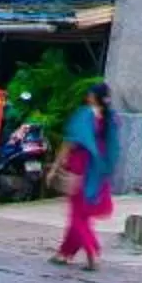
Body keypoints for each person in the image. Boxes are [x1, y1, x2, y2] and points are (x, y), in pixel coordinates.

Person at [53, 81, 117, 271]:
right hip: (98, 172)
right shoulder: (111, 118)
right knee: (83, 213)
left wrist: (55, 167)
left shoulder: (84, 116)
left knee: (77, 216)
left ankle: (92, 252)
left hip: (80, 169)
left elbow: (69, 143)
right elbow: (113, 149)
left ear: (92, 96)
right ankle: (65, 253)